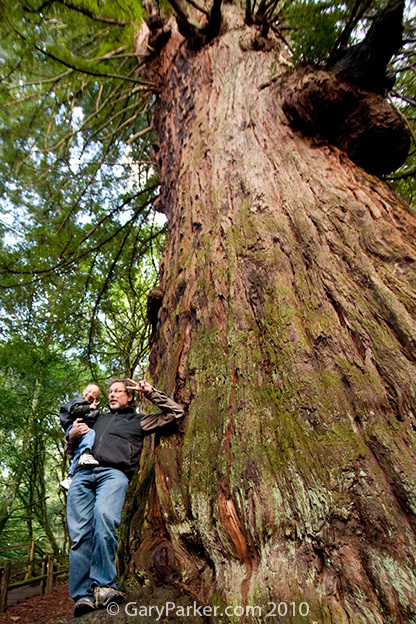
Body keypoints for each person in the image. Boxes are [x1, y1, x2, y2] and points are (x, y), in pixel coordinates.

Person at [65, 378, 184, 617]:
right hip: (81, 474)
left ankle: (103, 586)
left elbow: (176, 412)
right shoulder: (95, 417)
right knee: (79, 535)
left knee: (105, 520)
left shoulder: (139, 420)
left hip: (114, 474)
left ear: (130, 397)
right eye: (110, 392)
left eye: (118, 391)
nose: (112, 395)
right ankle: (82, 597)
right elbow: (72, 441)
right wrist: (70, 438)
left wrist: (150, 392)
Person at [59, 383, 101, 490]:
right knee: (90, 433)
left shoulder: (94, 409)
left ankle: (70, 477)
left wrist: (93, 409)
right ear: (83, 391)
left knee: (78, 452)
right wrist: (88, 407)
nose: (91, 394)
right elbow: (73, 410)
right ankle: (86, 453)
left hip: (82, 430)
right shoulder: (77, 400)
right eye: (89, 391)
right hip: (73, 427)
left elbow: (93, 420)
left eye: (94, 393)